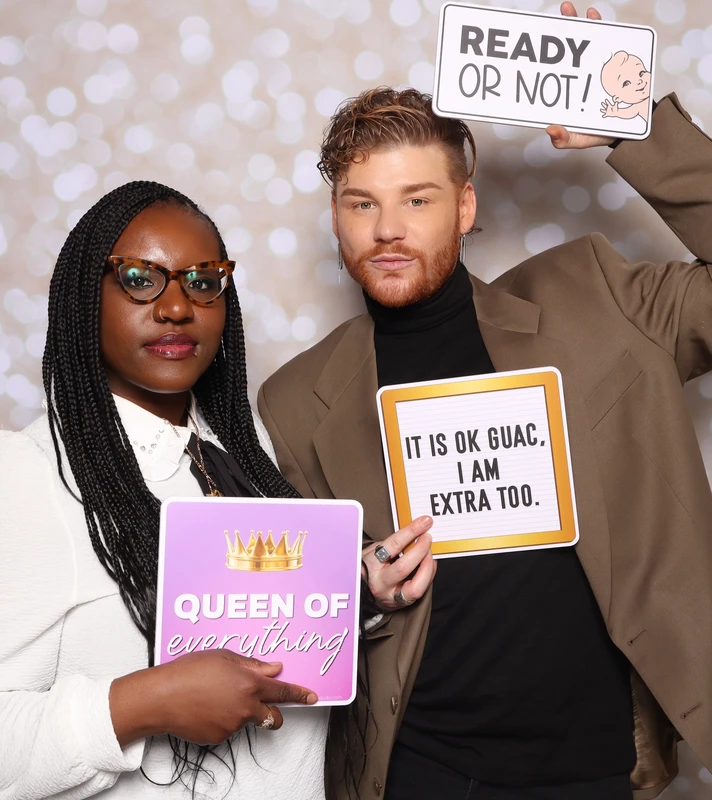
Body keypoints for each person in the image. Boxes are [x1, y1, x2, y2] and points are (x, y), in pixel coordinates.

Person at [257, 4, 712, 800]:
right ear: (337, 219)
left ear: (464, 209)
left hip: (595, 763)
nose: (387, 229)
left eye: (418, 200)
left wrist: (627, 127)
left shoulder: (596, 297)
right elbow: (291, 621)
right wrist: (359, 588)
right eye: (362, 203)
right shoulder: (296, 400)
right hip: (414, 771)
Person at [0, 181, 327, 799]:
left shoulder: (245, 453)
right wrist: (143, 702)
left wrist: (357, 583)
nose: (176, 308)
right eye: (139, 278)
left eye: (202, 280)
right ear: (87, 298)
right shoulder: (29, 473)